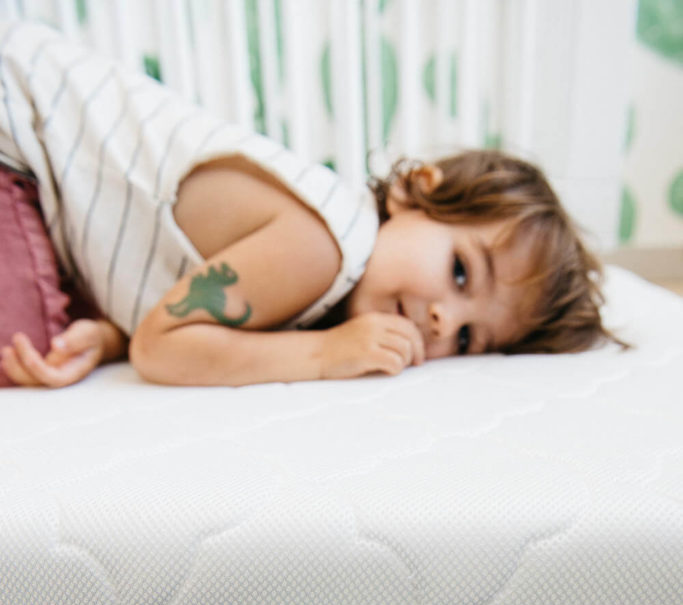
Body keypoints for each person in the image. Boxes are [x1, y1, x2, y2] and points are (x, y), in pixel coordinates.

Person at [0, 19, 622, 389]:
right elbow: (161, 348)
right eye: (460, 272)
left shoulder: (328, 290)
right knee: (16, 342)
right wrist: (325, 355)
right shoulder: (326, 244)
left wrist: (111, 336)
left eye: (466, 339)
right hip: (16, 124)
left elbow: (161, 304)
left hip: (47, 186)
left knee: (49, 348)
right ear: (415, 191)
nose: (441, 321)